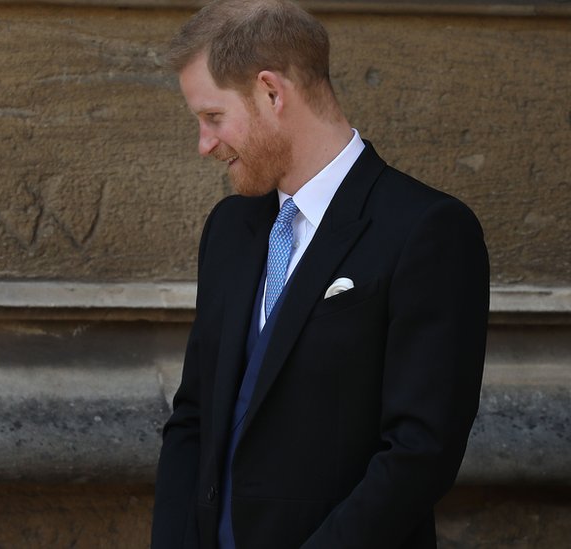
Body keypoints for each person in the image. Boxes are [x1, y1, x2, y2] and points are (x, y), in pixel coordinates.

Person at [151, 1, 489, 547]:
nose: (204, 144)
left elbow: (420, 452)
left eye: (213, 117)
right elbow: (194, 415)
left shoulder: (428, 230)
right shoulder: (229, 227)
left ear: (270, 93)